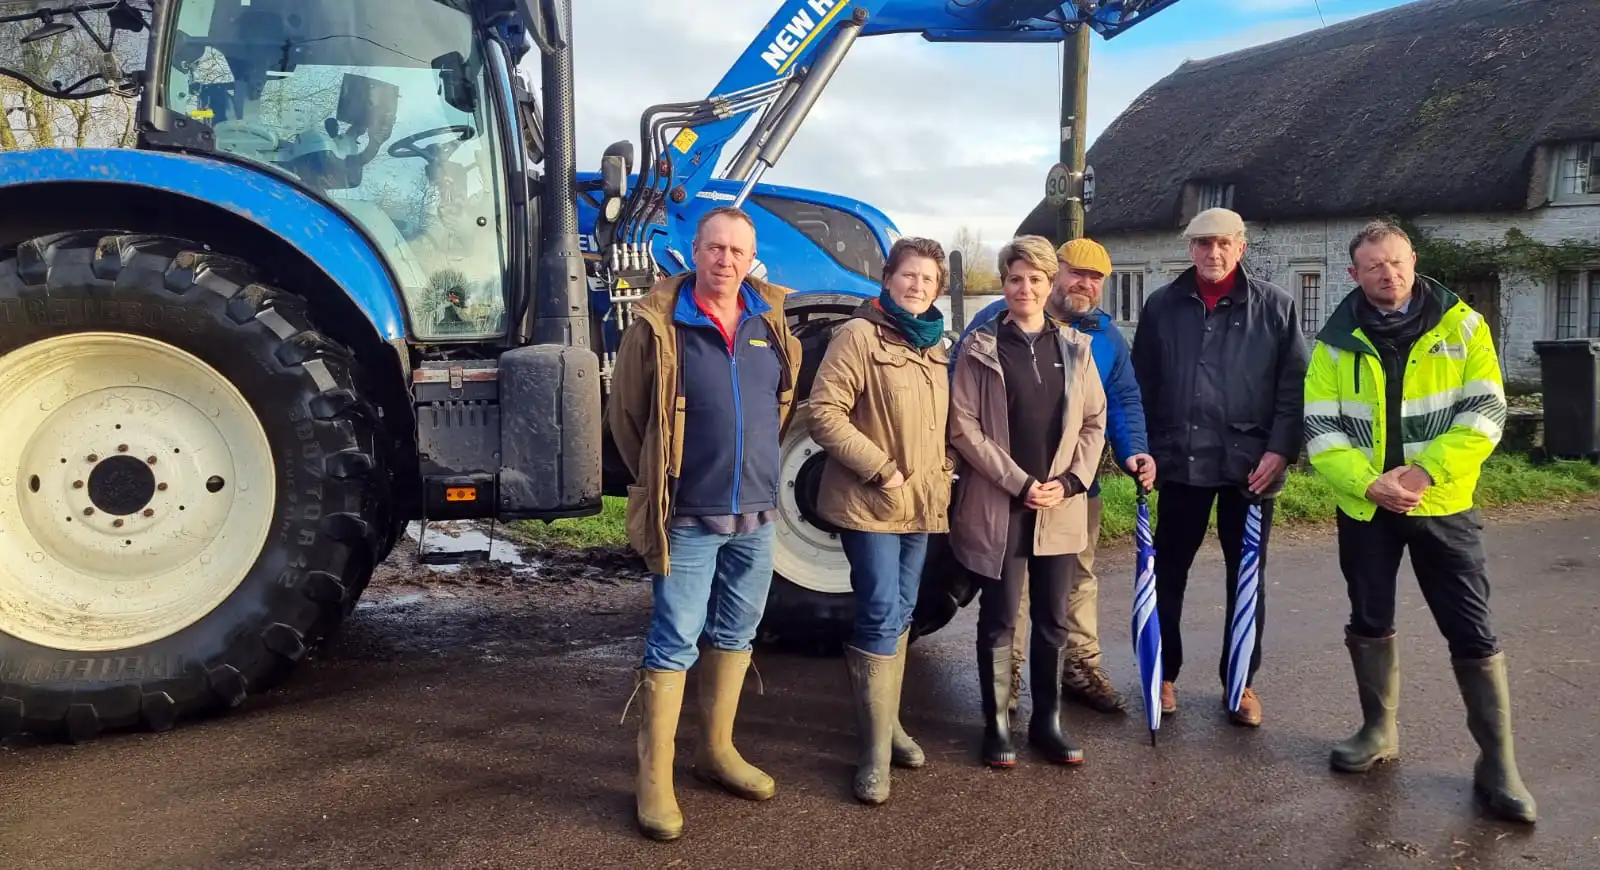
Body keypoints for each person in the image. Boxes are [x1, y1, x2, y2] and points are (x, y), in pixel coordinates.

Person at [1304, 220, 1535, 824]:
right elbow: (1320, 427)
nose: (1389, 273)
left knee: (1472, 631)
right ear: (1354, 274)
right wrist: (1368, 483)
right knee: (1370, 619)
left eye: (1398, 261)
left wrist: (1424, 473)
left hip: (1443, 504)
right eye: (1375, 265)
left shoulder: (1464, 327)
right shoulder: (1334, 342)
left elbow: (1485, 410)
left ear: (1414, 261)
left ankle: (1498, 764)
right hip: (1366, 507)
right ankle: (1378, 732)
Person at [606, 205, 803, 841]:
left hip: (758, 509)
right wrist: (669, 476)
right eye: (714, 248)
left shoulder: (770, 322)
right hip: (689, 512)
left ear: (751, 260)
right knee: (674, 639)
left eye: (736, 251)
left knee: (738, 632)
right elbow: (628, 417)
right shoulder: (659, 324)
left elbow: (782, 401)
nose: (724, 260)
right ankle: (653, 780)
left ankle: (716, 751)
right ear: (695, 250)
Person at [958, 237, 1155, 715]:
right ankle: (1012, 682)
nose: (1084, 284)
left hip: (1072, 488)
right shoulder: (989, 327)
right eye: (1076, 273)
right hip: (1005, 490)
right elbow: (962, 411)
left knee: (1078, 578)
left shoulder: (1102, 338)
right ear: (1055, 275)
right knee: (1014, 590)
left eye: (1095, 277)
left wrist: (1135, 453)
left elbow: (1117, 403)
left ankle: (1078, 667)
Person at [1130, 207, 1308, 727]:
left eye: (1223, 244)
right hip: (1178, 465)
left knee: (1247, 577)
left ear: (1240, 247)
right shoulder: (1163, 306)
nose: (1212, 253)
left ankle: (1241, 682)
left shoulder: (1275, 307)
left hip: (1250, 468)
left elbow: (1293, 388)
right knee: (1167, 573)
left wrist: (1280, 450)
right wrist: (1145, 450)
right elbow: (1141, 385)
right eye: (1202, 243)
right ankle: (1165, 673)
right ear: (1190, 249)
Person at [948, 234, 1107, 768]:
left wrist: (1071, 482)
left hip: (1059, 505)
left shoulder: (1075, 348)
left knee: (1053, 618)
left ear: (1049, 285)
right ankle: (996, 726)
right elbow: (964, 429)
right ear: (1004, 283)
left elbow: (1094, 422)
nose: (1025, 288)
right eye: (1015, 279)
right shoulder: (981, 347)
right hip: (1002, 504)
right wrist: (1019, 482)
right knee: (998, 618)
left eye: (1035, 279)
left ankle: (1047, 723)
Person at [807, 236, 952, 805]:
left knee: (906, 610)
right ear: (887, 279)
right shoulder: (858, 336)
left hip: (922, 505)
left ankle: (889, 726)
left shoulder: (936, 349)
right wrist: (882, 468)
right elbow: (824, 412)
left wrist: (945, 466)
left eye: (927, 280)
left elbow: (945, 424)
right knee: (877, 611)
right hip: (871, 503)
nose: (917, 286)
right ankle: (870, 754)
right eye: (908, 276)